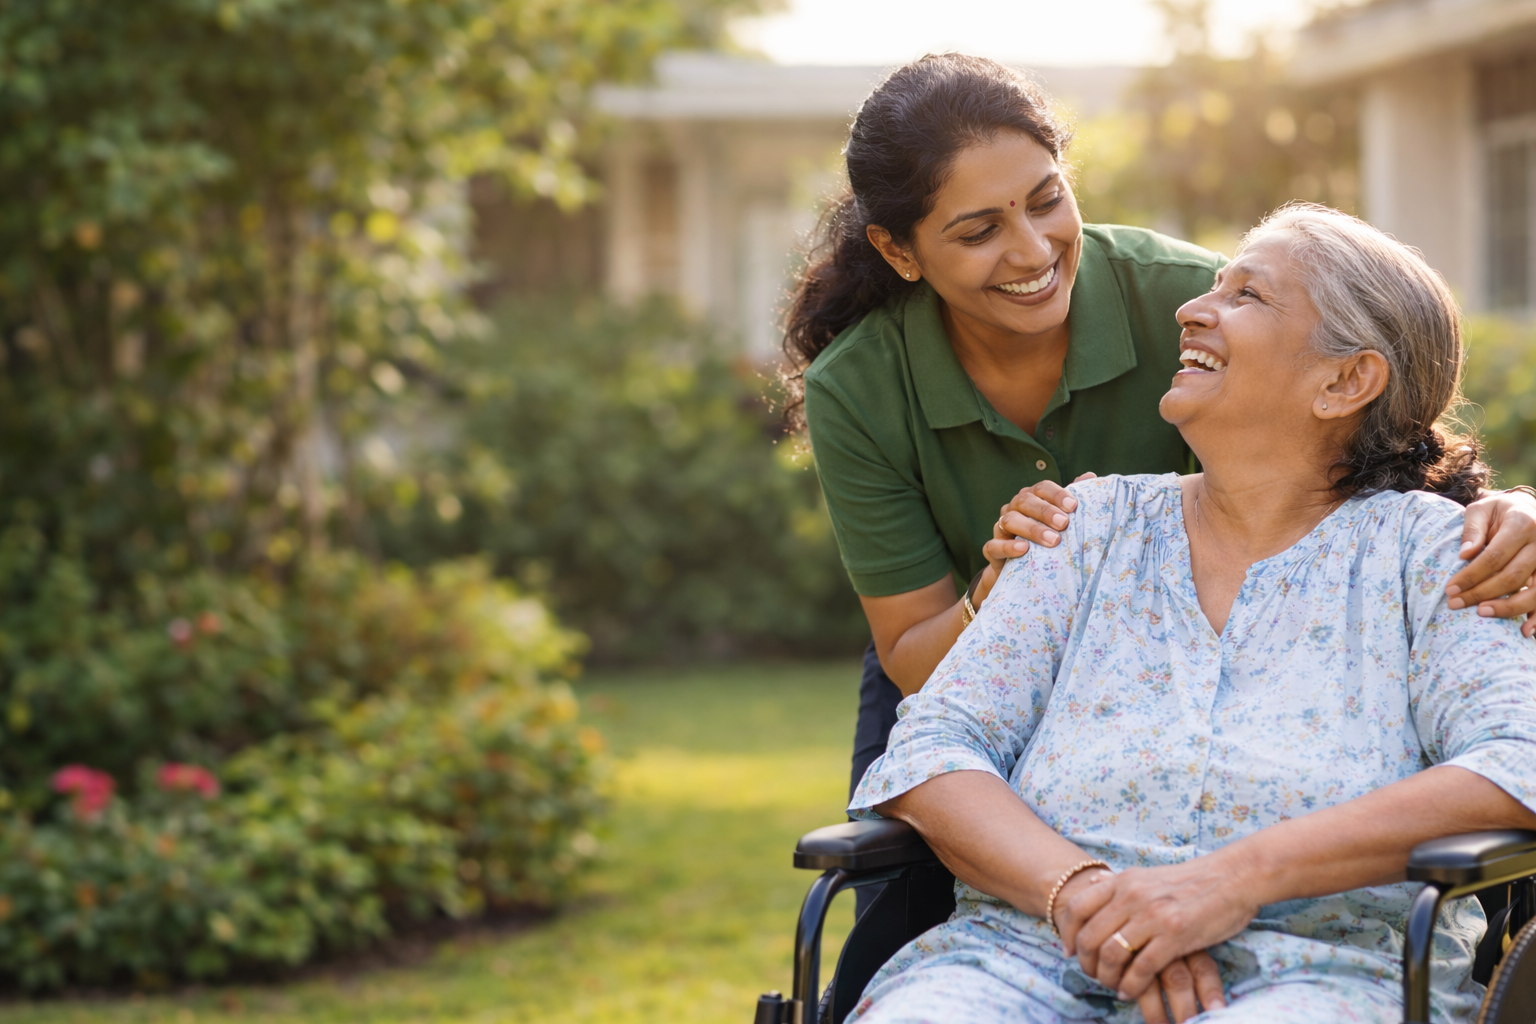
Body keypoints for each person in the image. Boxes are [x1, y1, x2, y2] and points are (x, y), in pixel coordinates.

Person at [782, 54, 1536, 865]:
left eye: (1047, 200)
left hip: (1191, 650)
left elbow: (1355, 434)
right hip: (963, 655)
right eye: (978, 232)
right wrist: (995, 594)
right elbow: (919, 686)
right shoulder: (861, 386)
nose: (1032, 251)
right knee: (896, 909)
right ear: (899, 251)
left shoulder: (1182, 299)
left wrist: (1505, 513)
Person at [846, 204, 1536, 1024]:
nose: (1190, 310)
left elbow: (1519, 757)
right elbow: (933, 743)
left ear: (1345, 382)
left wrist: (1230, 881)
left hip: (1320, 972)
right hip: (1025, 955)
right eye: (1213, 285)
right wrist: (1082, 897)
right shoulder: (1081, 528)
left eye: (1248, 296)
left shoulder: (1438, 557)